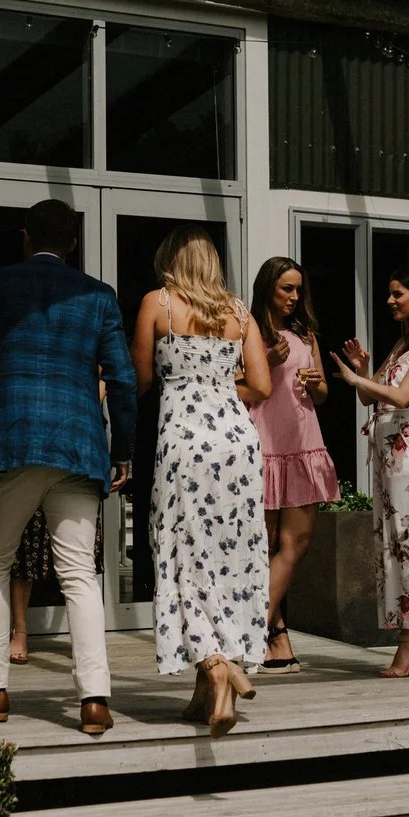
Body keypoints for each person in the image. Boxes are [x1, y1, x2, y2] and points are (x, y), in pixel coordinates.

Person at [0, 199, 137, 737]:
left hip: (13, 440)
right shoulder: (99, 297)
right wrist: (122, 448)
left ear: (25, 236)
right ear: (73, 243)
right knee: (80, 574)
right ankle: (95, 700)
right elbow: (121, 380)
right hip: (78, 446)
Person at [133, 227, 273, 735]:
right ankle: (211, 685)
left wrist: (185, 380)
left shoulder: (159, 304)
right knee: (227, 555)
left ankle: (216, 668)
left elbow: (141, 378)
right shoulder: (239, 313)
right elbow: (261, 384)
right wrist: (218, 383)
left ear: (171, 261)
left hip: (185, 444)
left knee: (180, 554)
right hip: (237, 444)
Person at [333, 267, 409, 678]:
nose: (390, 300)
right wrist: (362, 372)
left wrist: (353, 379)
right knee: (393, 543)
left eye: (397, 293)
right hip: (389, 459)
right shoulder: (405, 343)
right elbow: (370, 396)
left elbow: (401, 396)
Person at [247, 256, 338, 674]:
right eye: (287, 288)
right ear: (268, 287)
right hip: (263, 445)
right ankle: (272, 632)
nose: (294, 297)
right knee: (260, 548)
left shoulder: (306, 334)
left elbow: (319, 398)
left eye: (298, 289)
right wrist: (269, 360)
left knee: (296, 543)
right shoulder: (250, 331)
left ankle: (253, 630)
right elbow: (241, 391)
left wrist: (319, 385)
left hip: (303, 444)